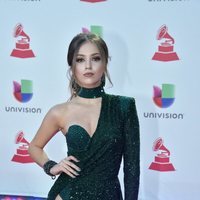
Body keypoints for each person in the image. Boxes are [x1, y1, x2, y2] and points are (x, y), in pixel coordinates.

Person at [28, 33, 140, 200]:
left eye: (95, 58)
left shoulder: (124, 106)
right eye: (80, 60)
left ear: (105, 63)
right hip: (66, 193)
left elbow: (132, 168)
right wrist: (51, 166)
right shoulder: (60, 111)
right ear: (72, 66)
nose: (88, 66)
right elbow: (34, 147)